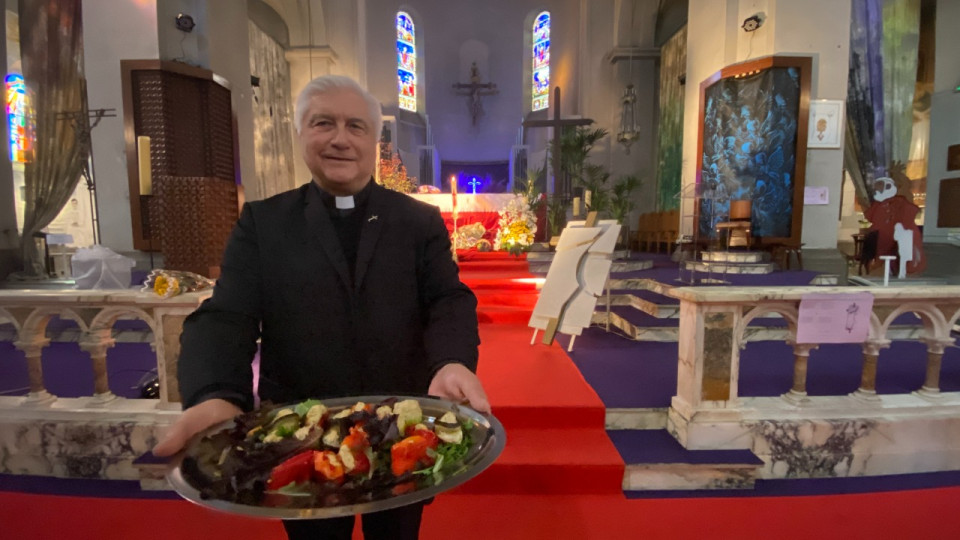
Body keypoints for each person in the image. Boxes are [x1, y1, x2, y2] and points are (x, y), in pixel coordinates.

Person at [153, 74, 490, 540]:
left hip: (399, 427)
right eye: (322, 123)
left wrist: (451, 360)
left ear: (374, 141)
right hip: (299, 433)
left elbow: (447, 299)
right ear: (300, 135)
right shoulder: (263, 223)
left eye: (355, 126)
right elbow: (227, 315)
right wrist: (216, 392)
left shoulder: (418, 221)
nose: (339, 138)